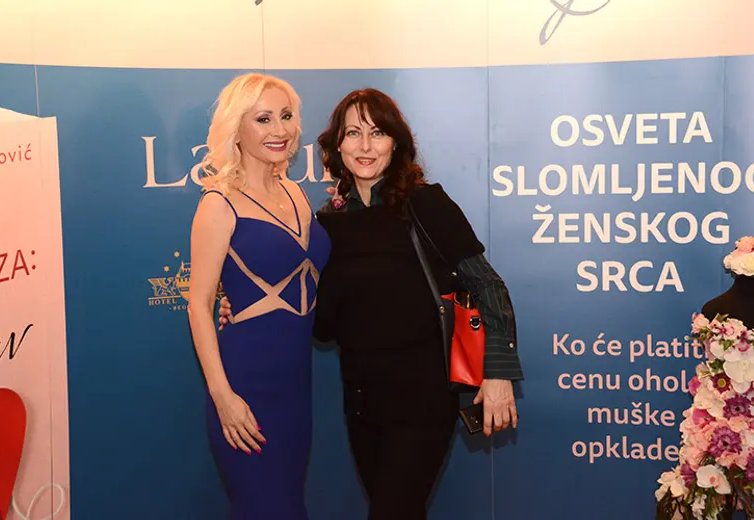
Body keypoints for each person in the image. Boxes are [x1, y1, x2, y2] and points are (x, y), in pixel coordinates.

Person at [219, 88, 523, 519]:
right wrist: (245, 304)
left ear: (395, 143)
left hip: (424, 399)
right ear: (337, 145)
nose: (365, 146)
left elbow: (488, 285)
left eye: (377, 133)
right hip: (362, 402)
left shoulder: (425, 204)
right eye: (353, 133)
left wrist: (498, 374)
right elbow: (320, 320)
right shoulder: (326, 223)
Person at [187, 72, 330, 520]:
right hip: (245, 386)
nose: (279, 130)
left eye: (286, 116)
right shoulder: (218, 203)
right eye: (263, 119)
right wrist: (223, 398)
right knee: (265, 508)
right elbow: (199, 304)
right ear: (237, 128)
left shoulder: (297, 193)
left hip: (296, 387)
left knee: (289, 504)